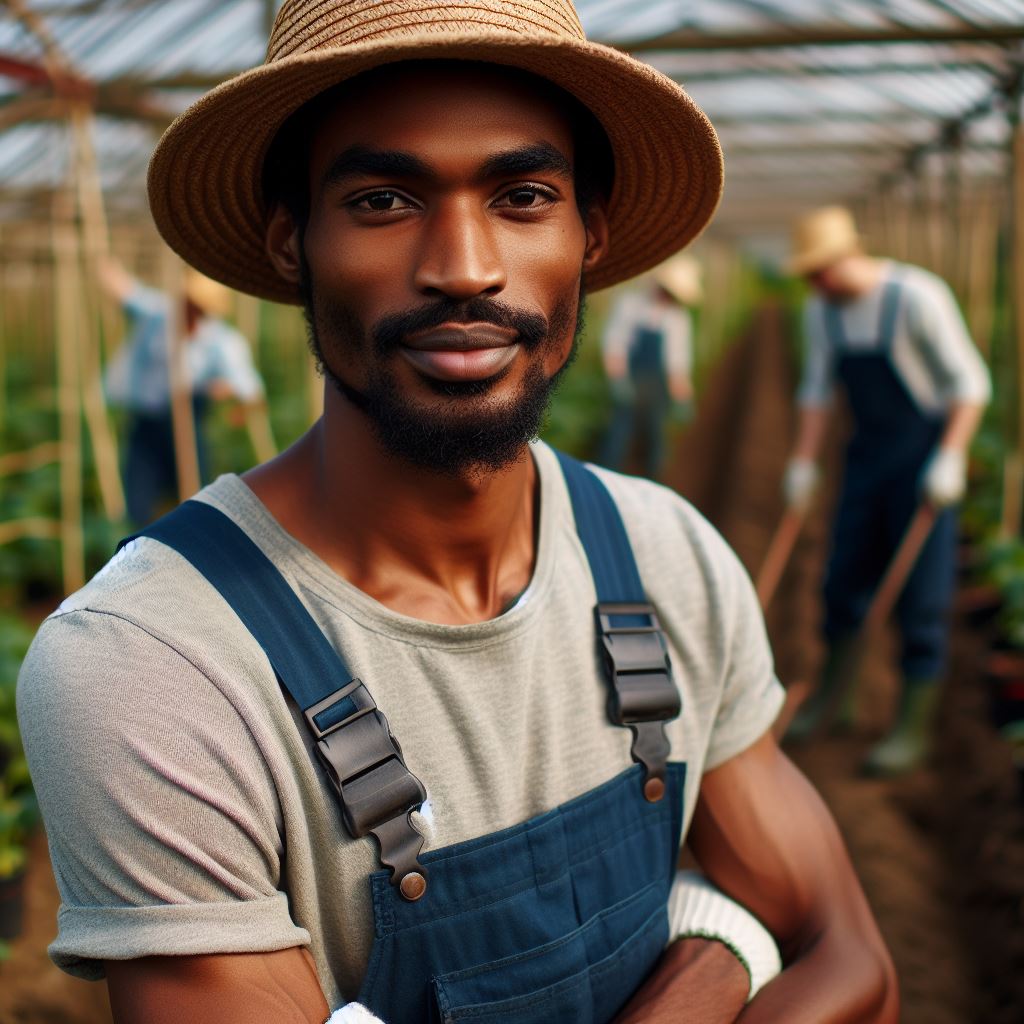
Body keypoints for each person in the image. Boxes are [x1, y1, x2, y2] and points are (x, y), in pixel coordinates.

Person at [17, 4, 897, 1023]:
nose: (465, 267)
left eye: (523, 195)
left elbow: (849, 957)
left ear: (590, 235)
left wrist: (727, 949)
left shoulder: (666, 556)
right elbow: (797, 943)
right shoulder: (157, 667)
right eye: (384, 198)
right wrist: (722, 951)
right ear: (290, 242)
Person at [783, 206, 990, 775]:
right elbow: (816, 391)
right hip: (866, 457)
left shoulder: (917, 297)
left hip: (922, 463)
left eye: (819, 271)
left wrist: (951, 456)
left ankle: (911, 728)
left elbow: (970, 384)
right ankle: (834, 697)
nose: (814, 284)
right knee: (841, 577)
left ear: (844, 257)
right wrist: (802, 463)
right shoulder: (821, 312)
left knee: (920, 595)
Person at [100, 257, 266, 525]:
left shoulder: (221, 342)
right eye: (187, 301)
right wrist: (103, 264)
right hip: (146, 421)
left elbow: (250, 389)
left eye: (196, 306)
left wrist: (229, 397)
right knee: (137, 500)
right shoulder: (158, 316)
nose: (188, 309)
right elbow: (128, 293)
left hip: (186, 425)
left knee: (192, 499)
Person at [598, 255, 699, 478]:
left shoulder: (678, 319)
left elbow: (677, 363)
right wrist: (618, 381)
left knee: (656, 436)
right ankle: (604, 479)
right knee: (618, 435)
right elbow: (615, 345)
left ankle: (653, 482)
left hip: (657, 387)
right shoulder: (631, 305)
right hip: (630, 380)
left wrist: (683, 397)